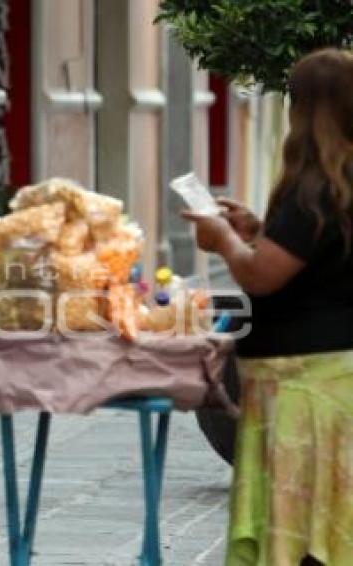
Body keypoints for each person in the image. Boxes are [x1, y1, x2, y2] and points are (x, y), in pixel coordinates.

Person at [183, 48, 353, 566]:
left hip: (304, 387)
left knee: (301, 533)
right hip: (328, 375)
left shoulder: (317, 189)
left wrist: (223, 241)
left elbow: (262, 274)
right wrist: (257, 232)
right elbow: (316, 257)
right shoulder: (337, 184)